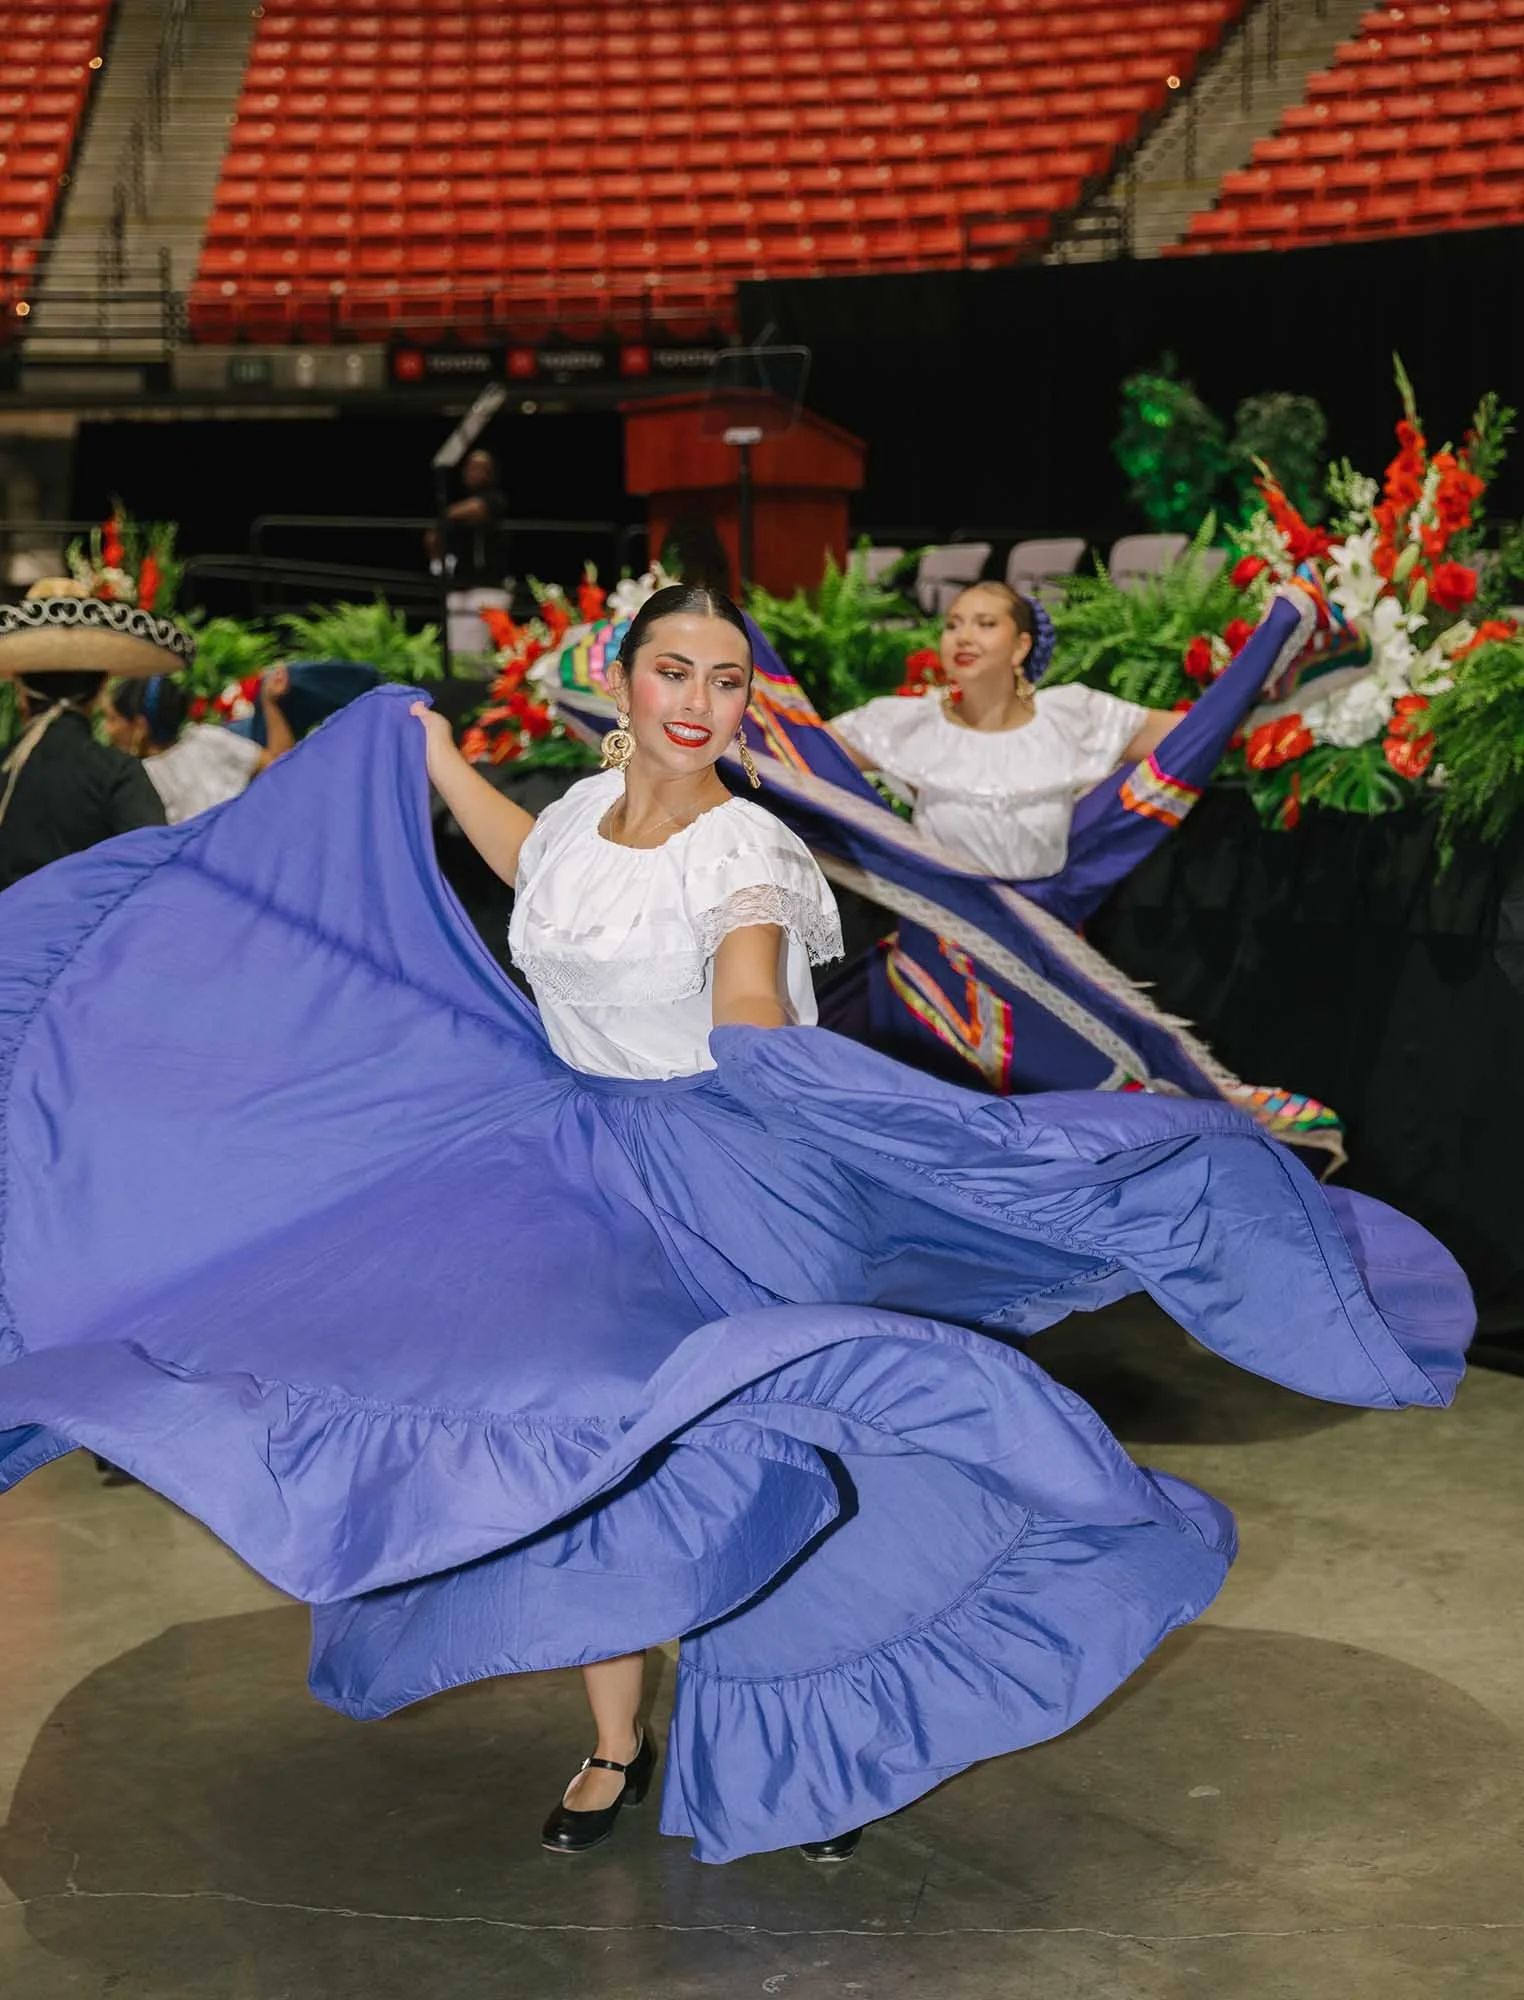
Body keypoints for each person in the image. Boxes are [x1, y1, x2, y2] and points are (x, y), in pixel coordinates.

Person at [0, 587, 1473, 1871]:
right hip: (567, 1164)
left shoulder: (751, 853)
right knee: (588, 1445)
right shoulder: (581, 808)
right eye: (674, 673)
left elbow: (751, 1000)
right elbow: (540, 874)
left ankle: (809, 1737)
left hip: (726, 1174)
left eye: (726, 681)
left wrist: (763, 1044)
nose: (700, 703)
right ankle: (614, 1739)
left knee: (755, 1443)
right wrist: (434, 753)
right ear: (625, 684)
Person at [830, 581, 1182, 880]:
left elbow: (1194, 733)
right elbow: (796, 746)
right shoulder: (910, 724)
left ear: (1020, 647)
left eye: (985, 624)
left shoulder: (1070, 718)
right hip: (942, 943)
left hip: (1041, 934)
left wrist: (1235, 682)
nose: (963, 637)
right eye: (953, 625)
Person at [0, 582, 167, 894]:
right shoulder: (116, 775)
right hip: (82, 941)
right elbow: (154, 877)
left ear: (19, 686)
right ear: (102, 687)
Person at [102, 667, 294, 824]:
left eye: (112, 719)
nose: (106, 728)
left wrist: (269, 702)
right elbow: (283, 767)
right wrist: (270, 704)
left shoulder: (139, 779)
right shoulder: (205, 739)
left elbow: (280, 767)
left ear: (140, 727)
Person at [425, 447, 514, 657]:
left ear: (491, 474)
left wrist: (445, 516)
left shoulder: (496, 500)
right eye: (470, 467)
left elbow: (476, 509)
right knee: (454, 649)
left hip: (489, 585)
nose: (473, 472)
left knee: (475, 650)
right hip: (459, 585)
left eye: (481, 468)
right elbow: (431, 538)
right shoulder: (454, 507)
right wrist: (438, 563)